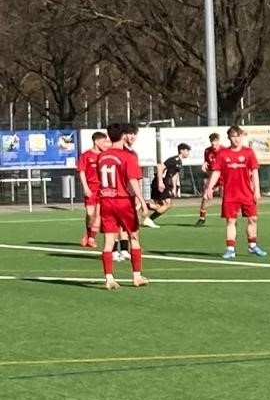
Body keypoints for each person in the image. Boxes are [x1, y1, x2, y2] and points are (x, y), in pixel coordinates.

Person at [95, 122, 148, 289]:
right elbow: (132, 180)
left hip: (106, 201)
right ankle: (136, 276)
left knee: (108, 241)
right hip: (123, 201)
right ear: (124, 136)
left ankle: (109, 278)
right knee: (134, 237)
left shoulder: (101, 156)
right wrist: (142, 200)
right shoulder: (128, 156)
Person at [203, 125, 266, 259]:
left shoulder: (248, 152)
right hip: (230, 194)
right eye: (233, 136)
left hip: (247, 193)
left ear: (242, 136)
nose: (236, 139)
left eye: (238, 136)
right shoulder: (223, 154)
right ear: (229, 138)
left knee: (253, 218)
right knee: (231, 221)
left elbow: (254, 171)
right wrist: (209, 188)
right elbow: (216, 172)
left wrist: (257, 190)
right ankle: (230, 249)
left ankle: (252, 245)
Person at [77, 130, 109, 248]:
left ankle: (91, 238)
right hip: (91, 188)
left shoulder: (106, 155)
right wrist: (85, 187)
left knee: (99, 214)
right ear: (96, 141)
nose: (105, 144)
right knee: (90, 214)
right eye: (103, 141)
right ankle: (88, 233)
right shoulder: (86, 155)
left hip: (103, 188)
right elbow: (81, 172)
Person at [145, 143, 190, 227]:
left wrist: (174, 188)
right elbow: (160, 167)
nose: (188, 153)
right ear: (181, 151)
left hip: (164, 183)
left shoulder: (179, 162)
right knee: (167, 204)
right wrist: (160, 182)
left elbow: (174, 175)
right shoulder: (174, 159)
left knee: (160, 206)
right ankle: (149, 220)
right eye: (187, 150)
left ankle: (142, 206)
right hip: (161, 182)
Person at [196, 131, 222, 225]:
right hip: (213, 177)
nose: (213, 143)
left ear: (218, 141)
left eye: (215, 141)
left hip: (224, 177)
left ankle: (230, 217)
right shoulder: (207, 151)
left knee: (226, 197)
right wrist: (204, 165)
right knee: (205, 196)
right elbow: (207, 162)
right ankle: (202, 218)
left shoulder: (224, 150)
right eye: (212, 141)